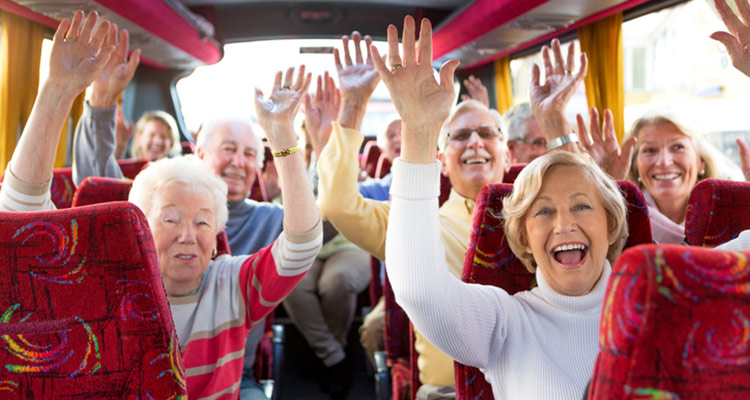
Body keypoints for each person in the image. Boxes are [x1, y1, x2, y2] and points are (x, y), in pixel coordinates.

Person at [374, 17, 629, 399]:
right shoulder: (508, 321)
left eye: (581, 207)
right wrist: (420, 131)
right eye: (542, 212)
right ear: (523, 240)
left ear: (609, 224)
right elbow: (420, 290)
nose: (563, 224)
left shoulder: (655, 301)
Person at [316, 28, 510, 399]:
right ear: (441, 160)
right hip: (448, 392)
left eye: (487, 133)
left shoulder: (540, 218)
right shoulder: (414, 224)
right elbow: (337, 204)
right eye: (459, 135)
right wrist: (354, 104)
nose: (474, 142)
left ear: (508, 154)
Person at [281, 66, 371, 400]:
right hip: (307, 247)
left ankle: (333, 352)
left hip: (347, 241)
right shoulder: (288, 164)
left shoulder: (349, 162)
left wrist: (326, 152)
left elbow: (341, 213)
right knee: (291, 281)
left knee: (337, 283)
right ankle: (334, 355)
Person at [358, 115, 401, 201]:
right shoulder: (375, 190)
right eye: (391, 136)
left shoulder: (434, 178)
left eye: (403, 132)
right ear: (382, 149)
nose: (397, 138)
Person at [115, 109, 181, 161]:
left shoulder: (177, 173)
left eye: (163, 137)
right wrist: (120, 146)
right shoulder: (127, 172)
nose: (157, 141)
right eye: (152, 135)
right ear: (139, 137)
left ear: (171, 143)